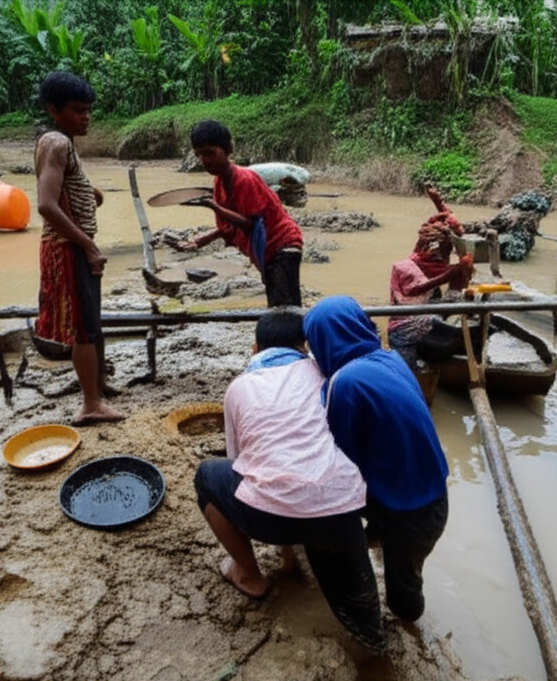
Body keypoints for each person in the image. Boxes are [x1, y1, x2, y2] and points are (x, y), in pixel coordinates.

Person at [193, 308, 384, 651]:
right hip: (344, 504)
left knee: (206, 476)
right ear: (303, 347)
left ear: (254, 349)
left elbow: (243, 465)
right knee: (367, 623)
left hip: (267, 517)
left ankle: (250, 576)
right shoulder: (324, 372)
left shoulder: (239, 388)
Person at [303, 295, 449, 622]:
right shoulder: (391, 357)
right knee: (407, 562)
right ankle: (378, 536)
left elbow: (340, 459)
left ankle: (409, 625)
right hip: (434, 492)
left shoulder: (345, 383)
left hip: (408, 512)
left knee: (404, 592)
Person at [34, 70, 124, 426]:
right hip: (68, 248)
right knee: (84, 328)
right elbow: (45, 204)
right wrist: (88, 246)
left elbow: (65, 189)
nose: (85, 116)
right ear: (54, 110)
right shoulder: (56, 143)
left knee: (91, 321)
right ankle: (90, 403)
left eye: (88, 110)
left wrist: (91, 193)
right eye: (77, 110)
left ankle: (97, 387)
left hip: (75, 246)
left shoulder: (61, 142)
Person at [177, 120, 304, 307]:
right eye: (200, 155)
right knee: (279, 306)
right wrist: (202, 240)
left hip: (282, 244)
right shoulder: (219, 184)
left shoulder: (245, 180)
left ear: (228, 149)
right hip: (267, 250)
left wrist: (216, 208)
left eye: (210, 153)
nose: (205, 160)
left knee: (285, 310)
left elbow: (251, 224)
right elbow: (230, 226)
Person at [388, 183, 479, 368]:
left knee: (470, 323)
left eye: (448, 250)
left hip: (426, 314)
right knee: (408, 371)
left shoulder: (439, 265)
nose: (445, 256)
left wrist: (439, 203)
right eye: (442, 251)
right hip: (403, 331)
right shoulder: (406, 267)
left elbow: (455, 229)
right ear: (428, 248)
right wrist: (447, 276)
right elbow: (412, 290)